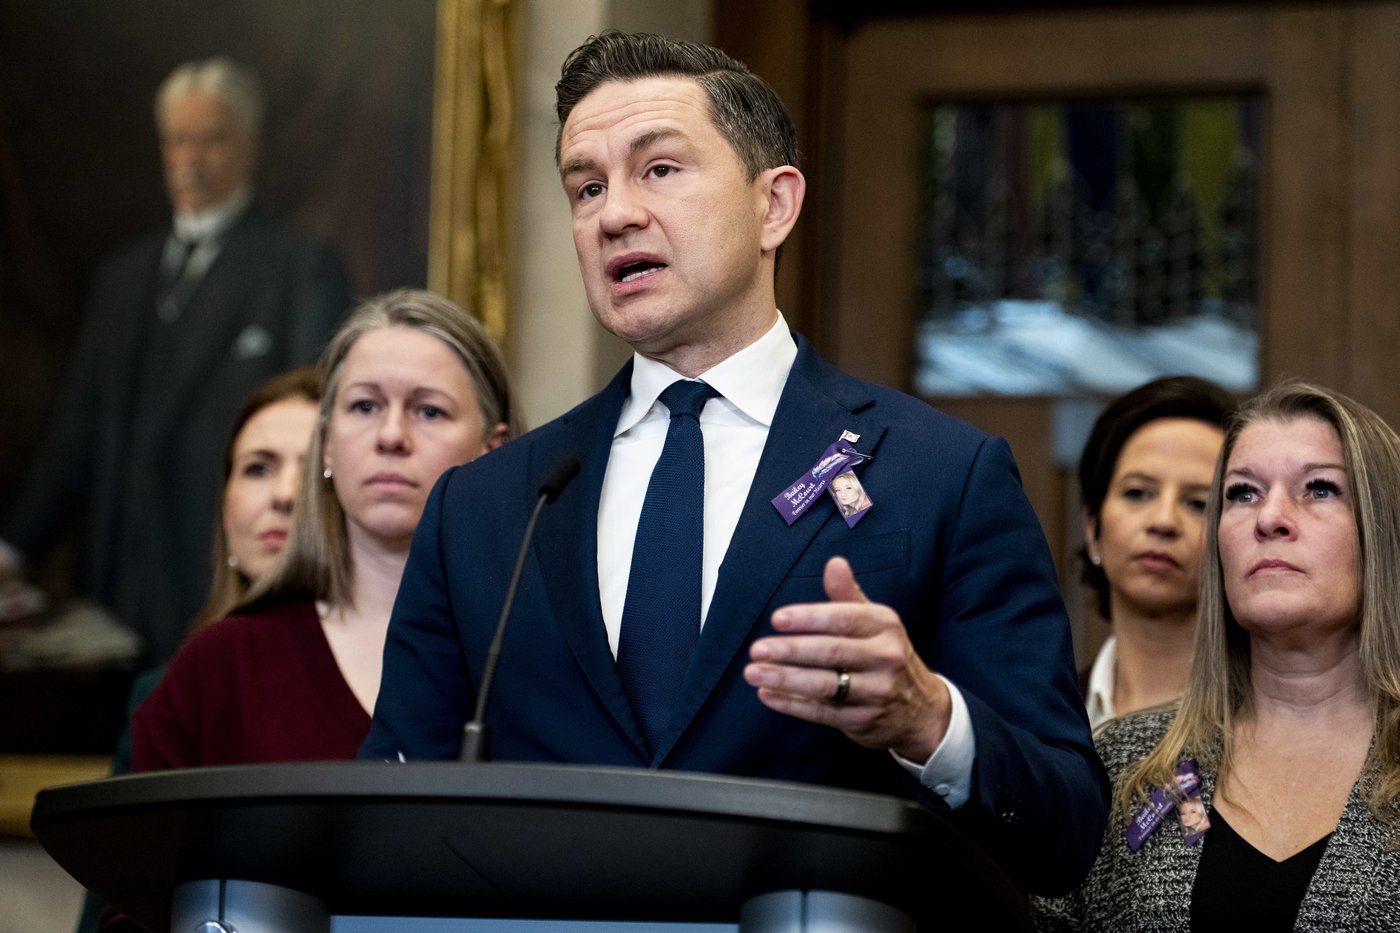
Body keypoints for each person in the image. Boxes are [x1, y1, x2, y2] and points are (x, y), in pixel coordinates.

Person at [361, 31, 1106, 896]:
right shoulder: (486, 506)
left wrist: (927, 718)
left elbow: (1067, 828)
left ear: (774, 206)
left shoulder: (942, 475)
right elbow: (391, 815)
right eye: (587, 187)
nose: (614, 214)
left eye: (659, 170)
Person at [1, 56, 350, 664]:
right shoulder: (122, 279)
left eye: (211, 139)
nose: (191, 159)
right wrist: (13, 549)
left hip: (219, 574)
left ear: (249, 146)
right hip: (114, 580)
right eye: (178, 140)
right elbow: (74, 433)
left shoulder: (299, 270)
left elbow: (314, 430)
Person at [1033, 380, 1400, 930]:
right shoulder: (1122, 761)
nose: (1269, 517)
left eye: (1320, 488)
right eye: (1243, 493)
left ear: (1384, 531)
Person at [129, 289, 512, 770]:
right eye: (365, 407)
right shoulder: (219, 667)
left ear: (493, 449)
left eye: (429, 410)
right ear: (327, 443)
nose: (391, 436)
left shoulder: (543, 653)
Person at [76, 365, 320, 933]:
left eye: (314, 473)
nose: (284, 496)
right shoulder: (171, 690)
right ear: (225, 501)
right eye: (258, 467)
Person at [1077, 376, 1234, 728]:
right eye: (1137, 493)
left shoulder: (1268, 727)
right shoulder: (1039, 718)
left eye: (1199, 503)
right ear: (1092, 528)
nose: (1163, 521)